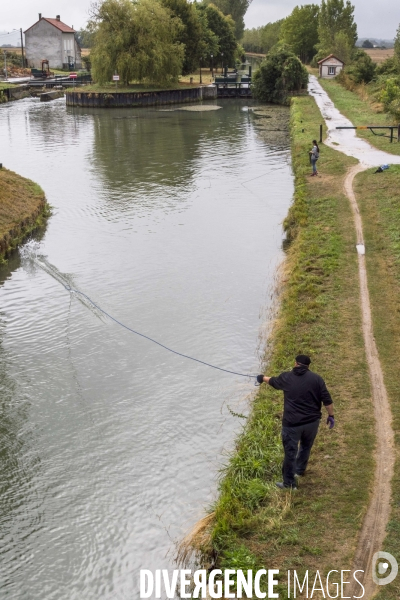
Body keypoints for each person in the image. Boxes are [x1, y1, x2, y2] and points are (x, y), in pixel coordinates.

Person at [256, 355, 334, 489]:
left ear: (295, 363)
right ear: (308, 366)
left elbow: (273, 381)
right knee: (305, 447)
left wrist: (262, 378)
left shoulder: (287, 377)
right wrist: (331, 415)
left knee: (290, 453)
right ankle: (299, 470)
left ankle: (289, 484)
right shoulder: (317, 379)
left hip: (292, 425)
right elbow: (327, 399)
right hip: (312, 423)